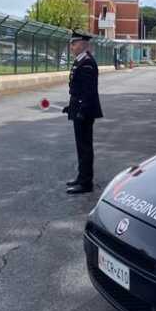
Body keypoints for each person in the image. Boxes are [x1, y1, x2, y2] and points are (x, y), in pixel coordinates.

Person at [63, 31, 103, 194]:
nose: (71, 47)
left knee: (85, 147)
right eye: (71, 44)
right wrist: (70, 106)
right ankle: (81, 177)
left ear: (83, 44)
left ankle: (86, 183)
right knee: (81, 147)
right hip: (80, 109)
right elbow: (77, 90)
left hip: (84, 112)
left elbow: (89, 91)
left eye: (74, 44)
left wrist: (81, 110)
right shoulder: (80, 61)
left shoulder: (87, 62)